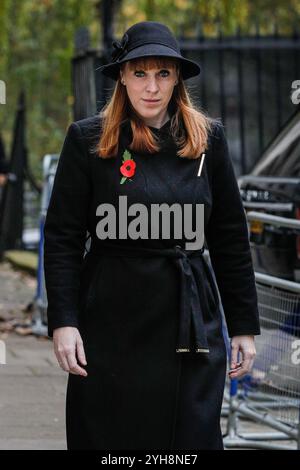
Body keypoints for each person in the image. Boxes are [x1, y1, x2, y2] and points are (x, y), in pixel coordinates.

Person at [43, 21, 260, 450]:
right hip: (110, 319)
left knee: (189, 443)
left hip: (190, 318)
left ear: (177, 77)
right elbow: (63, 237)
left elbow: (231, 237)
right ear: (121, 76)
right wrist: (64, 322)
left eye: (163, 73)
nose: (151, 87)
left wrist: (244, 327)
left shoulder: (206, 140)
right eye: (140, 73)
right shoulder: (88, 139)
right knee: (112, 441)